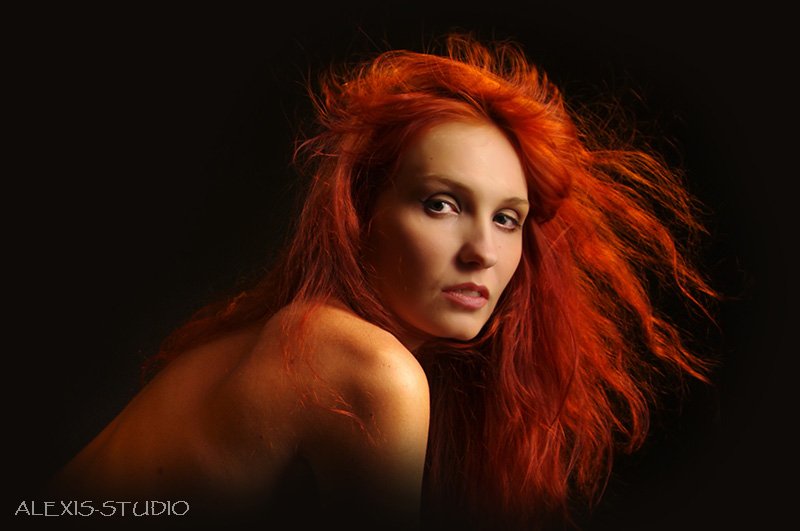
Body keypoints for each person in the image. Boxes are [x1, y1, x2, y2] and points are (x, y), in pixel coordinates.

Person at [49, 33, 716, 530]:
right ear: (361, 214)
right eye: (441, 204)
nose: (483, 252)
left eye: (507, 218)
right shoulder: (368, 366)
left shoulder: (295, 336)